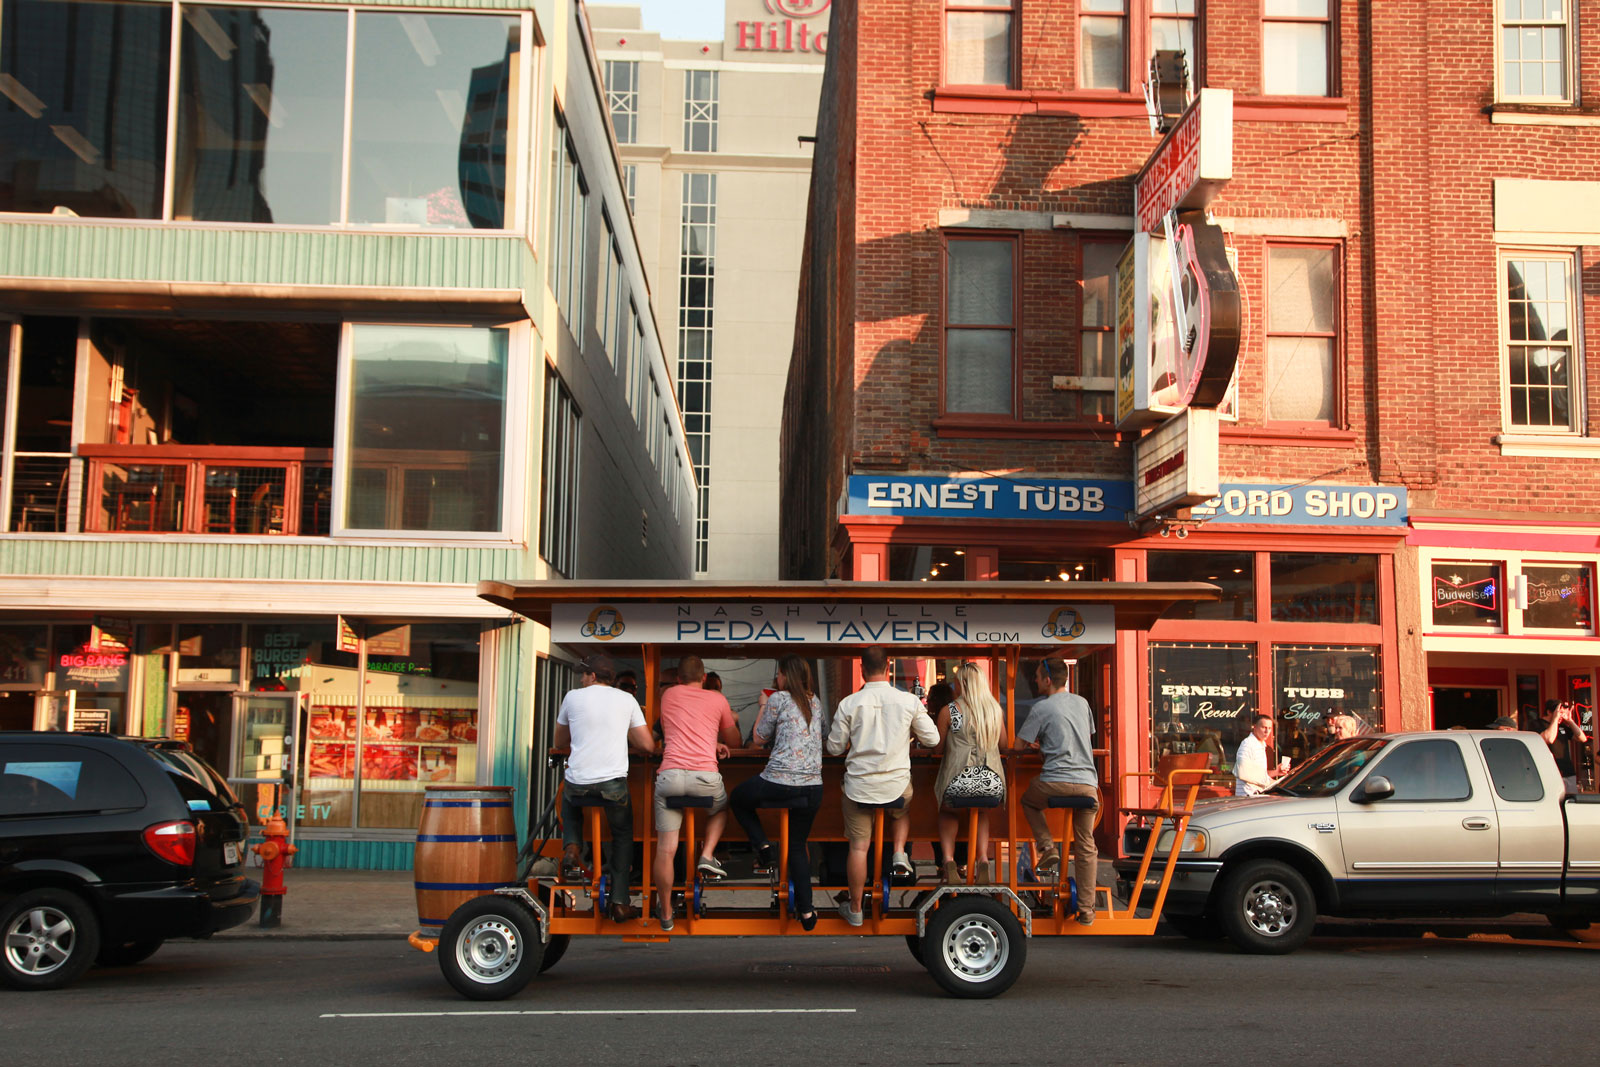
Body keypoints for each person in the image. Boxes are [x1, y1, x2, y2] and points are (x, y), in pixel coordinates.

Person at [826, 646, 939, 927]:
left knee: (859, 847)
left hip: (859, 787)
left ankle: (855, 908)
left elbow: (834, 747)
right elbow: (934, 740)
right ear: (888, 666)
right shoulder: (908, 701)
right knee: (902, 808)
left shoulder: (849, 703)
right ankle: (900, 851)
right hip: (896, 786)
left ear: (862, 668)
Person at [553, 653, 655, 923]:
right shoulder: (627, 699)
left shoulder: (572, 698)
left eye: (583, 675)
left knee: (569, 798)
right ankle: (620, 901)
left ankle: (573, 846)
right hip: (613, 785)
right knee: (622, 836)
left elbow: (559, 740)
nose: (581, 679)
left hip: (578, 783)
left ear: (593, 676)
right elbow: (647, 746)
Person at [728, 654, 824, 930]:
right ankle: (807, 912)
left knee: (737, 797)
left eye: (778, 674)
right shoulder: (814, 702)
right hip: (813, 787)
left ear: (785, 676)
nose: (777, 679)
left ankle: (763, 846)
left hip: (779, 782)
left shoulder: (777, 700)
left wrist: (761, 705)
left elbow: (758, 739)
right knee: (797, 845)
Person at [652, 654, 742, 930]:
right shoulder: (717, 699)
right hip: (704, 777)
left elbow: (673, 731)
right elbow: (735, 742)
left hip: (669, 777)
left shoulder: (667, 695)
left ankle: (665, 911)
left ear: (678, 678)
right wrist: (715, 742)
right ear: (704, 678)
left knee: (666, 849)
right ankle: (707, 854)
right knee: (720, 808)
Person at [1014, 658, 1100, 926]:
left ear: (1048, 680)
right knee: (1086, 844)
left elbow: (1017, 746)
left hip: (1054, 782)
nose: (1036, 682)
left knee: (1028, 801)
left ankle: (1047, 846)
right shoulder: (1082, 703)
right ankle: (1086, 910)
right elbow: (1082, 738)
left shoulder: (1041, 707)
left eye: (1038, 678)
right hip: (1088, 784)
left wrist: (1038, 747)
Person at [932, 663, 1005, 884]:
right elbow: (1004, 743)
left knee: (948, 810)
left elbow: (937, 748)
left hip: (958, 779)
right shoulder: (994, 710)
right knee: (981, 811)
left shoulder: (951, 710)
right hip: (991, 780)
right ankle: (982, 859)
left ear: (962, 684)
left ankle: (948, 860)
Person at [1535, 699, 1589, 793]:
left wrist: (1570, 721)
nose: (1562, 716)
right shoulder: (1536, 724)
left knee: (1571, 803)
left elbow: (1582, 738)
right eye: (1560, 713)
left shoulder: (1562, 726)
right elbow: (1549, 739)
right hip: (1550, 773)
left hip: (1568, 772)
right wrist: (1555, 719)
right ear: (1549, 712)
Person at [1234, 714, 1289, 797]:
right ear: (1255, 727)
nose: (1267, 731)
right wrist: (1271, 783)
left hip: (1257, 796)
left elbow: (1256, 774)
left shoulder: (1261, 745)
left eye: (1269, 728)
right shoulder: (1248, 744)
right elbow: (1243, 772)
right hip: (1247, 797)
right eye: (1264, 727)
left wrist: (1276, 772)